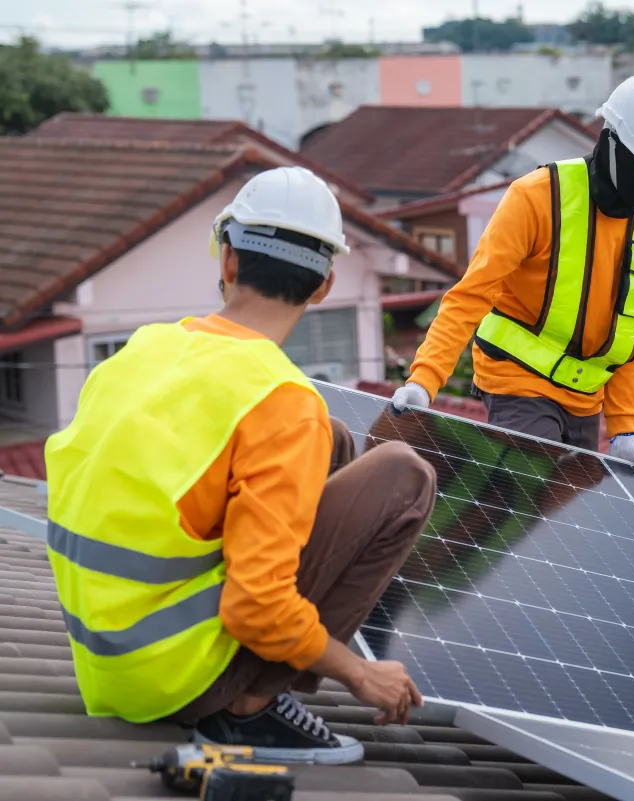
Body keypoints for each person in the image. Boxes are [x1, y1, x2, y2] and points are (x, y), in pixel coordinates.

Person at [44, 166, 437, 765]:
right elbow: (255, 607)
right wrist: (360, 672)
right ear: (324, 285)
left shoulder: (145, 349)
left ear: (228, 261)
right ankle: (250, 705)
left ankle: (247, 684)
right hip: (176, 680)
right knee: (402, 475)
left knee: (331, 442)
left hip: (105, 665)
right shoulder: (279, 399)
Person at [389, 73, 634, 479]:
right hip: (517, 381)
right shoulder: (537, 196)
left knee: (567, 511)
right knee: (531, 495)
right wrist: (424, 381)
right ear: (612, 143)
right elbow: (472, 294)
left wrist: (624, 429)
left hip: (585, 399)